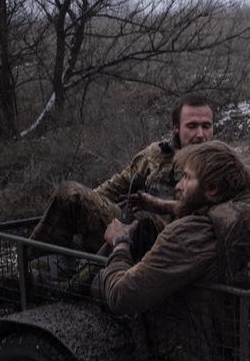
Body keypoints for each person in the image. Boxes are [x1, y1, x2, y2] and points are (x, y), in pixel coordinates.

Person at [97, 140, 250, 316]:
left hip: (203, 350)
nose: (178, 186)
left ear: (212, 189)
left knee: (100, 281)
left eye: (186, 177)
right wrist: (160, 205)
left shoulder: (190, 233)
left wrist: (120, 243)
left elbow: (122, 297)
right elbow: (217, 210)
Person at [29, 94, 216, 252]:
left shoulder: (221, 167)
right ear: (176, 127)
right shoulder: (156, 155)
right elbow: (116, 186)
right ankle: (28, 266)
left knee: (141, 224)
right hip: (130, 229)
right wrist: (86, 206)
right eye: (192, 126)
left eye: (206, 126)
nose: (200, 134)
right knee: (70, 196)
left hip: (172, 243)